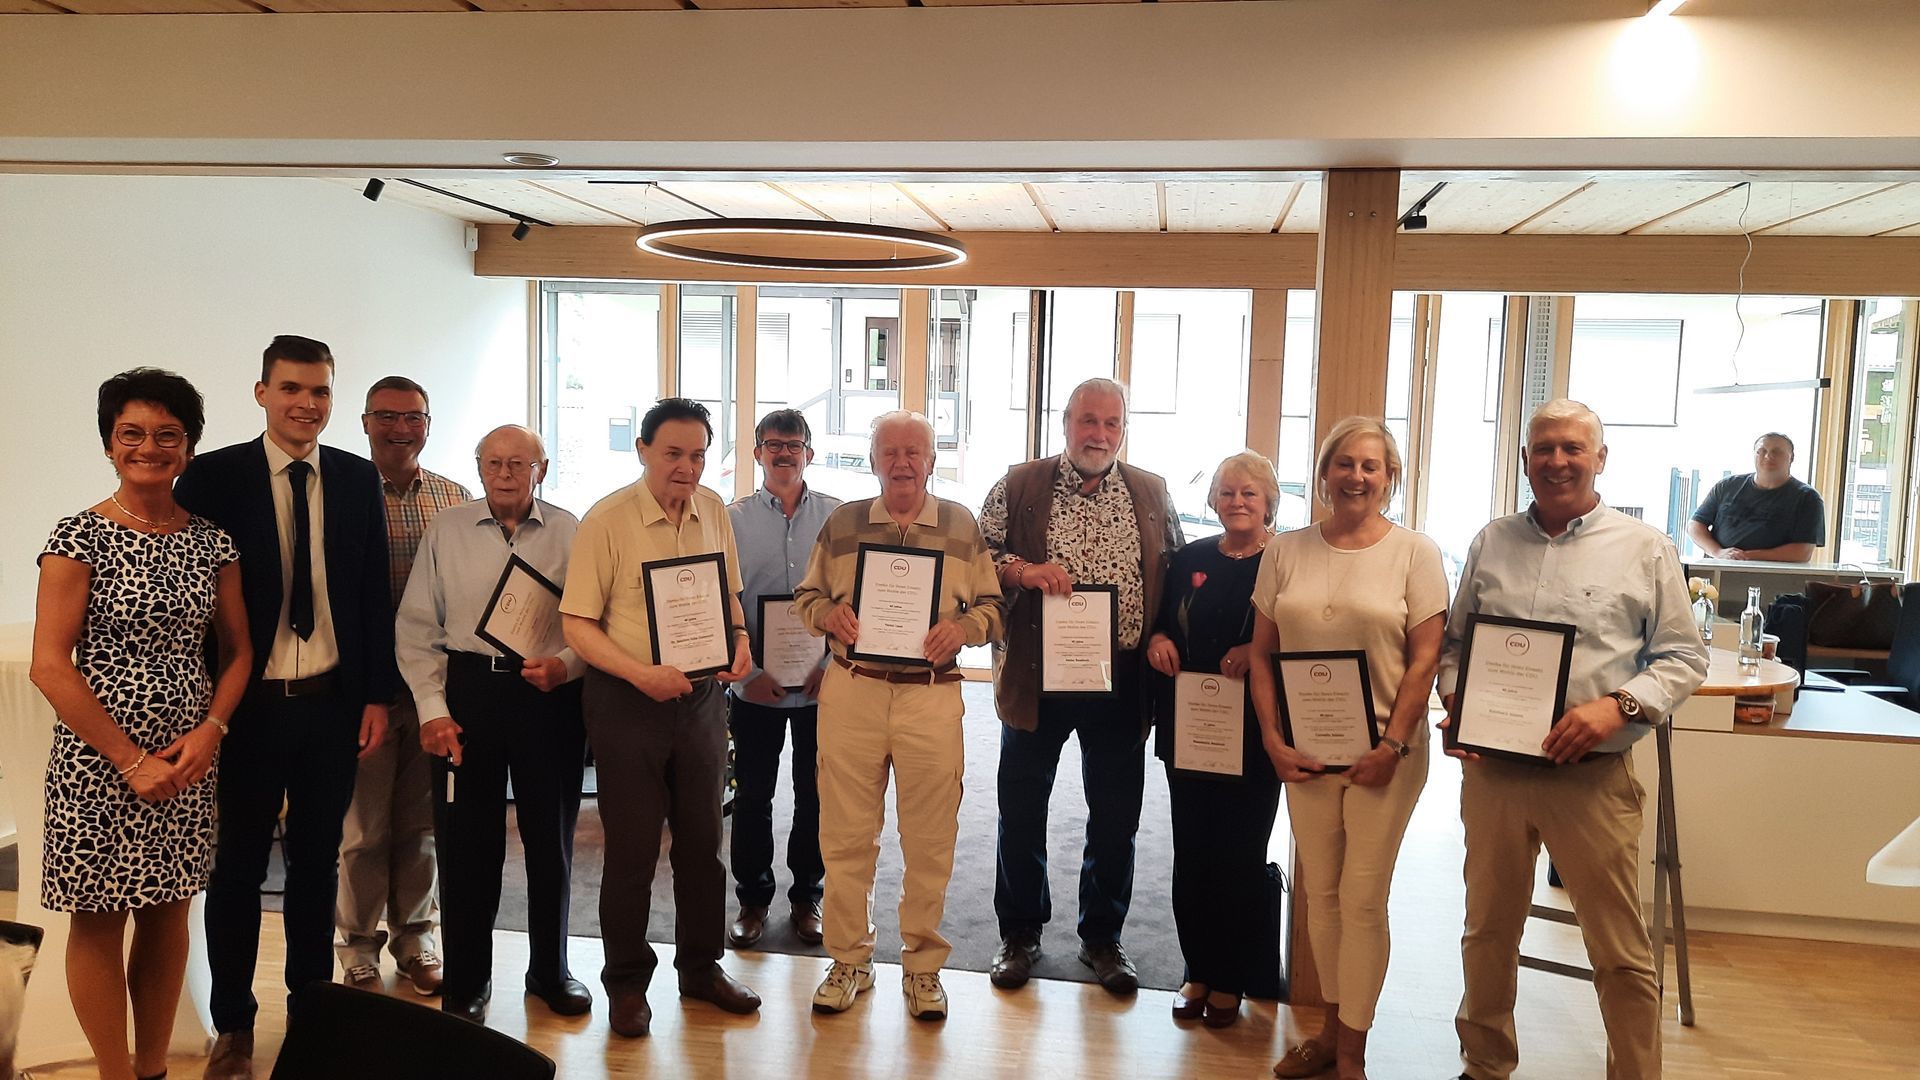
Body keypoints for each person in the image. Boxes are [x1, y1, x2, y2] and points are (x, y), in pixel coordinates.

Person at [1440, 399, 1709, 1080]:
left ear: (1600, 458)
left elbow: (1683, 657)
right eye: (1544, 448)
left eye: (1572, 448)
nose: (1557, 461)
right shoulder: (1492, 541)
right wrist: (1459, 704)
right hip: (1496, 775)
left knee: (1619, 950)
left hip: (1591, 777)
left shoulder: (1644, 548)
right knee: (1487, 932)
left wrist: (1618, 708)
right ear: (1525, 459)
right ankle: (1485, 1064)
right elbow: (1456, 646)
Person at [175, 335, 398, 1080]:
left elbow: (370, 593)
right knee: (237, 866)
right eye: (293, 388)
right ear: (262, 393)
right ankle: (234, 1026)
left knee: (316, 863)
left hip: (331, 705)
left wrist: (375, 694)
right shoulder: (213, 478)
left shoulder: (356, 478)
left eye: (321, 391)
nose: (308, 404)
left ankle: (313, 1011)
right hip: (245, 709)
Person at [29, 369, 251, 1080]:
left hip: (187, 763)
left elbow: (240, 652)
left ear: (188, 448)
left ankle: (153, 1069)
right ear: (109, 444)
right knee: (97, 919)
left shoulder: (212, 543)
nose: (148, 447)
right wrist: (130, 759)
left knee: (168, 915)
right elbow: (49, 666)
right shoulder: (78, 536)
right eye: (131, 433)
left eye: (166, 434)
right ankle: (115, 1074)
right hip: (98, 764)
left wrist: (212, 730)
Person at [1245, 419, 1448, 1077]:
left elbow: (1425, 660)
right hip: (1306, 755)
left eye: (1370, 465)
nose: (1356, 476)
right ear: (1325, 472)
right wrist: (1272, 739)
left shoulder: (1416, 553)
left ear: (1389, 477)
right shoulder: (1285, 551)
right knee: (1321, 896)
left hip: (1385, 756)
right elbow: (1262, 653)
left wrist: (1393, 743)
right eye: (1344, 464)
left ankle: (1353, 1053)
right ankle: (1331, 1032)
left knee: (1362, 897)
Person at [793, 410, 1005, 1021]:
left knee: (930, 838)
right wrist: (827, 615)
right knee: (844, 835)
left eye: (914, 452)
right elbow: (807, 596)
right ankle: (849, 960)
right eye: (890, 451)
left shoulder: (960, 525)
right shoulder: (844, 523)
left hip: (930, 697)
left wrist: (962, 629)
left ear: (932, 461)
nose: (903, 462)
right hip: (853, 691)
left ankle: (923, 967)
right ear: (873, 460)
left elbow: (993, 608)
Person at [558, 397, 758, 1039]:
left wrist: (740, 638)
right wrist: (640, 674)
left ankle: (700, 969)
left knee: (703, 844)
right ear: (643, 450)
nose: (686, 467)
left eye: (698, 455)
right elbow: (577, 624)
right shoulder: (607, 521)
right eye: (673, 453)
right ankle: (626, 985)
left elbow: (728, 594)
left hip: (701, 701)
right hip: (627, 701)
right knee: (633, 850)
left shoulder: (713, 512)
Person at [979, 377, 1182, 995]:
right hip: (1037, 673)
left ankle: (1102, 936)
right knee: (1021, 806)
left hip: (1120, 676)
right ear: (1065, 422)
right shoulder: (1020, 484)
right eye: (1088, 421)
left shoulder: (1151, 491)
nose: (1099, 434)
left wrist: (1161, 631)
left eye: (1111, 423)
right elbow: (976, 556)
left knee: (1116, 814)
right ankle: (1019, 933)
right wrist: (1021, 570)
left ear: (1123, 429)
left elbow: (1173, 572)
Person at [399, 426, 591, 1025]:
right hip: (468, 696)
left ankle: (550, 972)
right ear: (479, 467)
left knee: (550, 841)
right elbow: (417, 628)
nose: (504, 474)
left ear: (542, 468)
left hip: (548, 695)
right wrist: (433, 710)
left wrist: (566, 665)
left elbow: (597, 621)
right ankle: (467, 979)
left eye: (518, 463)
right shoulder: (447, 530)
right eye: (493, 463)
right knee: (467, 845)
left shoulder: (572, 532)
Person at [335, 375, 469, 997]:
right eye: (386, 416)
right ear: (365, 423)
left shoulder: (453, 498)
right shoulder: (342, 491)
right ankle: (357, 947)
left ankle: (416, 940)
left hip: (433, 688)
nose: (400, 428)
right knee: (363, 830)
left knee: (421, 825)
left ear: (428, 424)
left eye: (413, 417)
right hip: (366, 688)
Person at [1142, 451, 1282, 1030]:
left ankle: (1230, 977)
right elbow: (1161, 623)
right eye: (1227, 492)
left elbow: (1302, 635)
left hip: (1255, 729)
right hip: (1192, 727)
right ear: (1212, 500)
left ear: (1269, 502)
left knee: (1240, 856)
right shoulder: (1190, 558)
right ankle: (1196, 970)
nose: (1237, 501)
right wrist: (1157, 641)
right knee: (1193, 853)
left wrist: (1257, 650)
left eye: (1249, 493)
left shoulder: (1285, 560)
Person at [725, 409, 840, 950]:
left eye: (794, 445)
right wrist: (746, 675)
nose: (784, 453)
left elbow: (852, 597)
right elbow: (720, 602)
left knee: (816, 794)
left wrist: (831, 665)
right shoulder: (732, 520)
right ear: (757, 454)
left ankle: (807, 897)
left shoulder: (837, 518)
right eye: (773, 444)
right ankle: (752, 899)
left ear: (809, 454)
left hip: (822, 687)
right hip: (756, 686)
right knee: (753, 795)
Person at [1685, 432, 1825, 562]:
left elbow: (1802, 552)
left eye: (1776, 452)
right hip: (1719, 569)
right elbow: (1695, 525)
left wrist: (1744, 557)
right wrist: (1718, 552)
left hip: (1775, 575)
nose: (1768, 456)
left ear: (1791, 458)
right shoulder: (1726, 486)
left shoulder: (1808, 498)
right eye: (1761, 451)